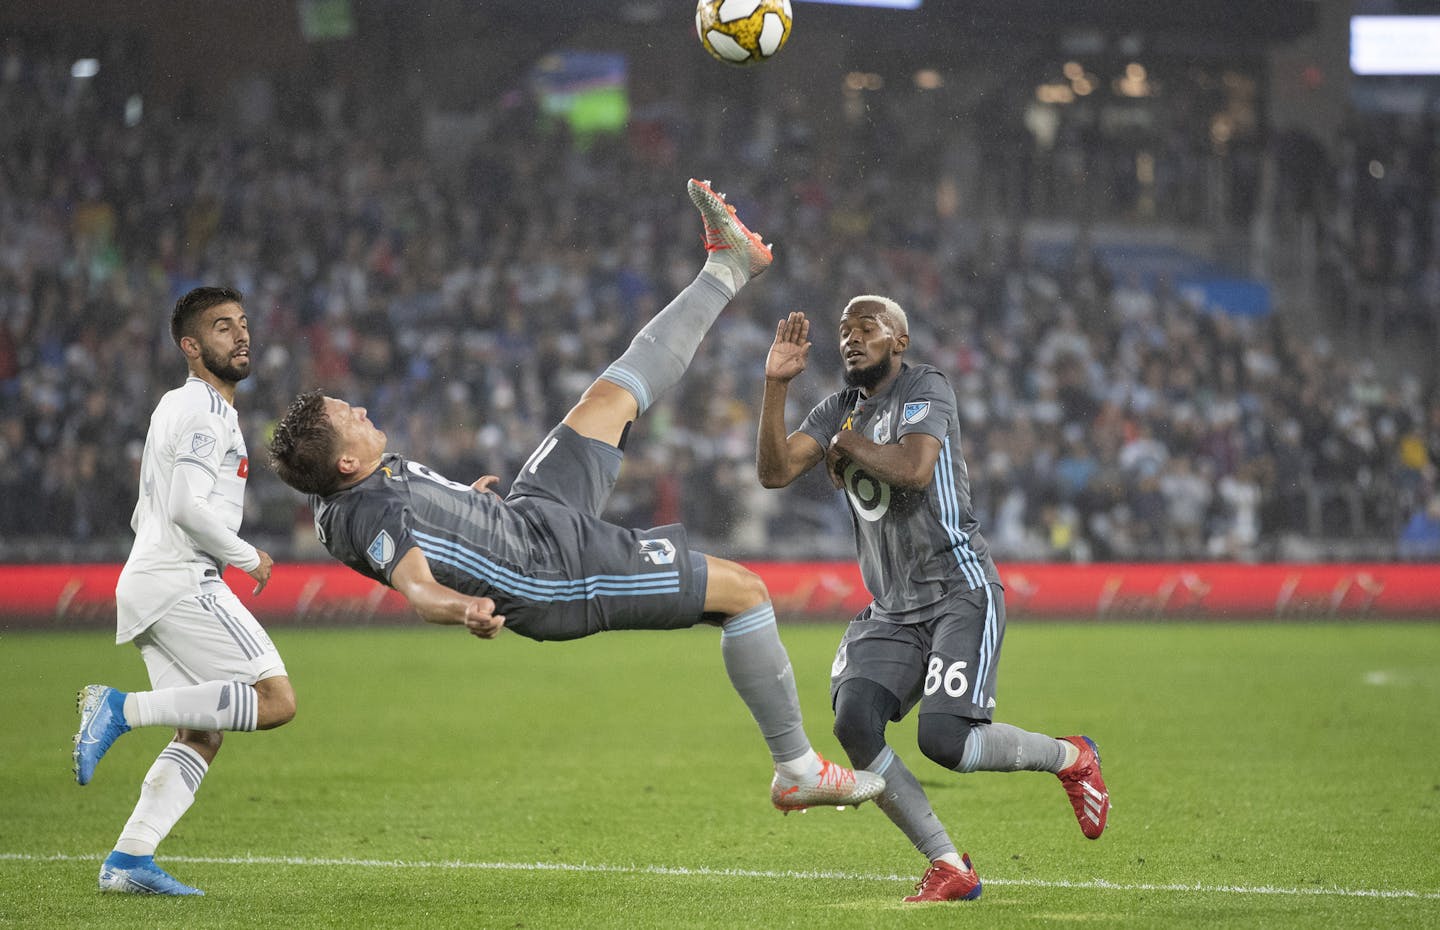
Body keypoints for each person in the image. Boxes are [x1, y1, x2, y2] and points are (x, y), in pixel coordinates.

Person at [265, 180, 884, 815]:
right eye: (350, 415)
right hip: (548, 573)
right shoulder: (361, 508)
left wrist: (466, 504)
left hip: (525, 517)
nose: (363, 410)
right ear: (344, 460)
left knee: (609, 396)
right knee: (745, 592)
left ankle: (728, 266)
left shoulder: (357, 484)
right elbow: (417, 584)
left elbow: (418, 520)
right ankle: (797, 769)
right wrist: (462, 608)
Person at [755, 298, 1110, 903]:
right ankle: (949, 864)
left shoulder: (927, 387)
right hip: (892, 608)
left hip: (959, 591)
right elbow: (774, 471)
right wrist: (774, 389)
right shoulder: (838, 410)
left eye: (866, 328)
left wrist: (847, 448)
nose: (851, 339)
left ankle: (1070, 757)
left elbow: (917, 469)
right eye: (844, 331)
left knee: (946, 741)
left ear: (900, 339)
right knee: (853, 720)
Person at [72, 286, 297, 896]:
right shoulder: (203, 410)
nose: (241, 335)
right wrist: (247, 556)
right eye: (223, 328)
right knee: (275, 700)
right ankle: (118, 708)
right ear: (191, 347)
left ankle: (129, 860)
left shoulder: (181, 406)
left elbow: (146, 511)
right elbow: (183, 506)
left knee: (201, 732)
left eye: (244, 323)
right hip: (181, 579)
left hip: (150, 579)